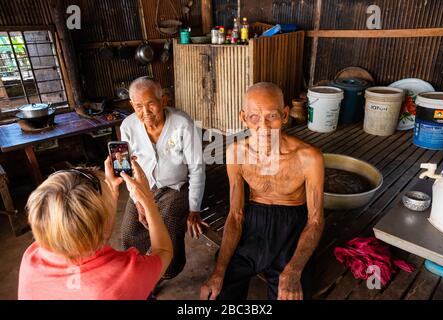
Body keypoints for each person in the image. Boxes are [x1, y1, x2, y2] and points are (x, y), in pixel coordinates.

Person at [201, 82, 325, 300]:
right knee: (218, 293)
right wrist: (219, 270)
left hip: (293, 226)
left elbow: (315, 220)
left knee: (292, 293)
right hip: (253, 223)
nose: (264, 127)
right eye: (254, 117)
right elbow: (236, 215)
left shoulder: (309, 157)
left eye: (272, 116)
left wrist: (294, 269)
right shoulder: (235, 153)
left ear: (285, 115)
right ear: (243, 117)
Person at [18, 157, 173, 300]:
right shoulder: (124, 276)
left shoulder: (32, 257)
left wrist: (111, 190)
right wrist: (148, 200)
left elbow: (93, 234)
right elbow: (164, 252)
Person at [120, 77, 207, 280]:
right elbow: (126, 169)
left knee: (167, 223)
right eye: (139, 106)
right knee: (129, 233)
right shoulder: (128, 126)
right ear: (132, 105)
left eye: (151, 104)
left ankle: (165, 272)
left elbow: (197, 168)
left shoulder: (182, 123)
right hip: (142, 188)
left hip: (176, 188)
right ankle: (139, 276)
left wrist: (194, 208)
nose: (146, 112)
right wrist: (137, 201)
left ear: (164, 101)